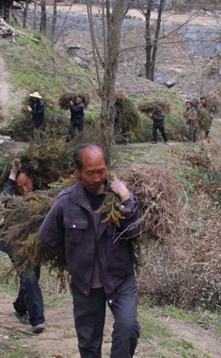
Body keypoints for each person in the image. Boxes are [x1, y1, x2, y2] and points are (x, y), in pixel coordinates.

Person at [39, 143, 144, 358]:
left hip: (120, 278)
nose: (96, 178)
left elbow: (137, 231)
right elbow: (47, 237)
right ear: (79, 172)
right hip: (86, 283)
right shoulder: (66, 202)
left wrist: (126, 199)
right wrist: (73, 259)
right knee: (88, 343)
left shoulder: (119, 197)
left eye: (101, 171)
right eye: (90, 173)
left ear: (107, 168)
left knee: (128, 328)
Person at [0, 158, 46, 334]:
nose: (24, 190)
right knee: (30, 277)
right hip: (13, 242)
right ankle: (37, 320)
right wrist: (12, 173)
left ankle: (19, 307)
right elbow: (5, 199)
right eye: (20, 187)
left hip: (34, 244)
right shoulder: (14, 200)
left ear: (33, 179)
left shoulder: (42, 197)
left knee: (31, 278)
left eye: (27, 184)